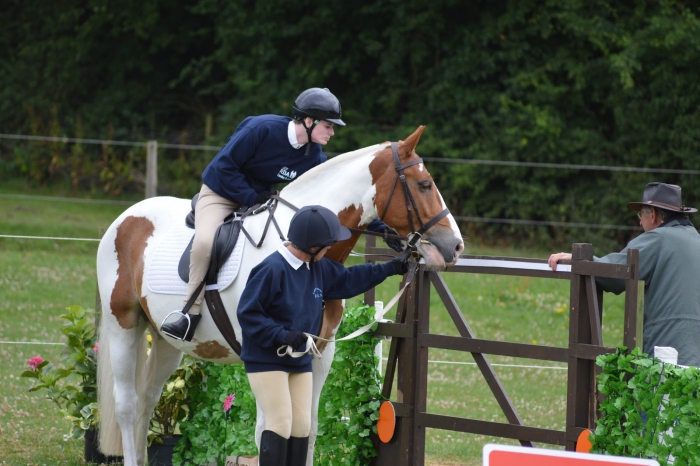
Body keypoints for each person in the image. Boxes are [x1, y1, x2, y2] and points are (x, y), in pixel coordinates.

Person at [161, 88, 401, 341]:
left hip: (262, 200)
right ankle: (189, 313)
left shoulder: (314, 156)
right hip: (221, 194)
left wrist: (380, 228)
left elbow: (332, 201)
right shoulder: (261, 129)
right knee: (204, 243)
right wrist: (252, 197)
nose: (332, 132)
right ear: (309, 121)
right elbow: (221, 168)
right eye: (329, 126)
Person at [236, 205, 410, 465]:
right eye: (328, 244)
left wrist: (393, 268)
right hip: (266, 359)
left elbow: (350, 279)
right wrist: (283, 335)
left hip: (300, 359)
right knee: (281, 423)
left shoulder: (318, 267)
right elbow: (248, 314)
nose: (330, 248)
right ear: (312, 245)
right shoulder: (272, 269)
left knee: (302, 426)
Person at [548, 182, 700, 366]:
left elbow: (615, 273)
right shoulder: (696, 238)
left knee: (662, 394)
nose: (639, 221)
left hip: (669, 353)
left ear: (652, 214)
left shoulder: (657, 238)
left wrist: (581, 262)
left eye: (640, 215)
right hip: (695, 354)